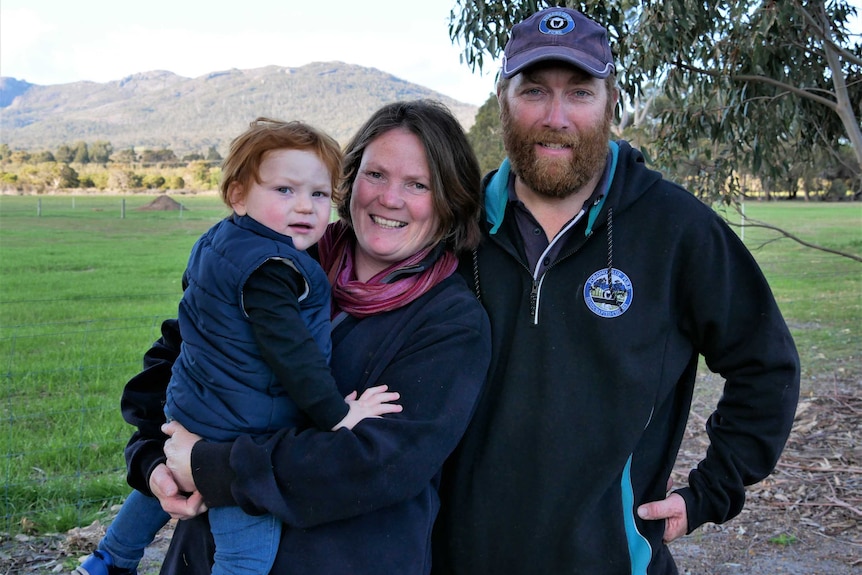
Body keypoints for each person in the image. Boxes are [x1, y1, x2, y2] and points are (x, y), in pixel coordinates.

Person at [430, 6, 801, 575]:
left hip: (610, 560)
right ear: (503, 100)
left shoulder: (676, 228)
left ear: (611, 103)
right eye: (534, 92)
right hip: (457, 558)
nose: (556, 117)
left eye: (580, 93)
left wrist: (708, 491)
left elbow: (766, 363)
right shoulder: (456, 227)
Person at [119, 100, 492, 574]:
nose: (390, 198)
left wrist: (212, 468)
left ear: (449, 200)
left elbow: (375, 464)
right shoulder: (280, 260)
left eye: (417, 184)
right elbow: (176, 360)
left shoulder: (450, 322)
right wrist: (154, 460)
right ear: (348, 180)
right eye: (375, 175)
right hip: (207, 556)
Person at [75, 118, 402, 575]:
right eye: (284, 191)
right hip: (240, 430)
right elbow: (293, 356)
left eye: (320, 194)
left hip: (192, 407)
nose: (305, 207)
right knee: (245, 552)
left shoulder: (220, 241)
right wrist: (339, 415)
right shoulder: (272, 268)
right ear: (238, 195)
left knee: (163, 485)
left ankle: (110, 558)